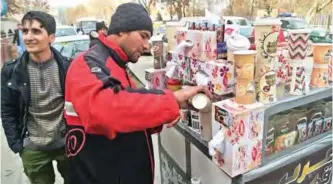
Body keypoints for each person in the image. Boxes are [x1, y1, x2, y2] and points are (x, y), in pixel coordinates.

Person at [64, 3, 212, 184]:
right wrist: (170, 101)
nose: (146, 45)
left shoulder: (118, 65)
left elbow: (128, 117)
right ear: (121, 31)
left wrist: (161, 116)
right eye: (143, 36)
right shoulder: (86, 63)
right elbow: (107, 112)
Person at [1, 11, 70, 184]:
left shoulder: (68, 67)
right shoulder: (11, 71)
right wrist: (17, 146)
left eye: (36, 31)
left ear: (51, 37)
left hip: (67, 144)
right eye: (25, 31)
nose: (29, 37)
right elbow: (7, 110)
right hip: (33, 149)